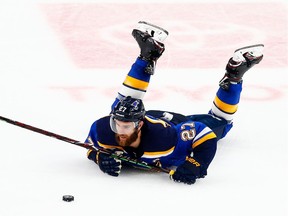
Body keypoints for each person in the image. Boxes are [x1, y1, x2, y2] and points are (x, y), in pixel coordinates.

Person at [85, 22, 264, 185]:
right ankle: (147, 55)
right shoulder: (103, 129)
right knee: (123, 107)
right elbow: (91, 146)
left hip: (175, 123)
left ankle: (233, 77)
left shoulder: (166, 138)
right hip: (149, 117)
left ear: (139, 125)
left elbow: (204, 133)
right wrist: (99, 157)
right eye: (116, 125)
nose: (119, 131)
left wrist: (196, 164)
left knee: (222, 122)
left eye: (126, 127)